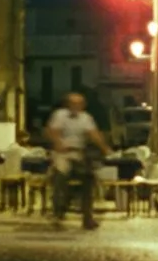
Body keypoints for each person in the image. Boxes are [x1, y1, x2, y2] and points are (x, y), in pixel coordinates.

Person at [41, 89, 109, 230]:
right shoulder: (60, 115)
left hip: (78, 153)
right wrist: (58, 144)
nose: (76, 106)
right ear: (68, 104)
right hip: (63, 153)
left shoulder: (86, 118)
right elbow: (53, 132)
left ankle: (87, 217)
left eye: (79, 103)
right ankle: (58, 212)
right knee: (61, 176)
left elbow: (93, 134)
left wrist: (105, 148)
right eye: (73, 103)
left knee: (89, 179)